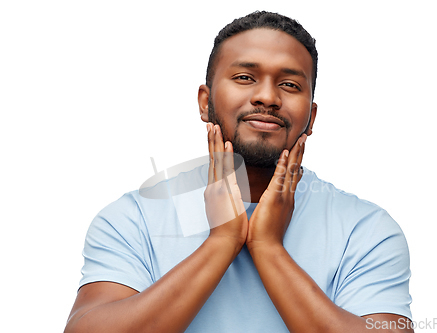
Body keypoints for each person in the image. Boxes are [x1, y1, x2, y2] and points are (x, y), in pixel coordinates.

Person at [65, 11, 413, 333]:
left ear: (312, 115)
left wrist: (268, 247)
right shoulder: (132, 218)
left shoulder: (366, 229)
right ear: (205, 102)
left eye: (290, 85)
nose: (267, 96)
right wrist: (221, 242)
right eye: (245, 77)